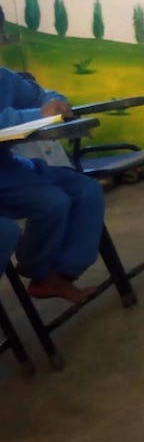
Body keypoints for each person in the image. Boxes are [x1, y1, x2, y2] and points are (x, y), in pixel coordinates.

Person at [0, 67, 104, 303]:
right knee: (52, 202)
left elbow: (41, 94)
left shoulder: (3, 77)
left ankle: (61, 275)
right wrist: (39, 115)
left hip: (9, 166)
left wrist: (56, 102)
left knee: (86, 190)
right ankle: (36, 265)